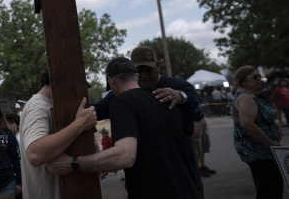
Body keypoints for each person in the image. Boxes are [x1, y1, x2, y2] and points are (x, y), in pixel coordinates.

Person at [47, 57, 197, 198]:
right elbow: (194, 131)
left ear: (111, 82)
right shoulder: (169, 98)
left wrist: (71, 164)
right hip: (189, 191)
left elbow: (125, 156)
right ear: (136, 77)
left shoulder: (121, 103)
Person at [93, 45, 206, 197]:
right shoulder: (123, 96)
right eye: (139, 70)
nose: (144, 75)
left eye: (149, 69)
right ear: (133, 72)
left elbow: (199, 113)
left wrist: (182, 97)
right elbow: (95, 111)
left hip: (184, 176)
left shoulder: (177, 86)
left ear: (158, 67)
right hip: (147, 184)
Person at [19, 69, 97, 199]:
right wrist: (80, 124)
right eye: (76, 87)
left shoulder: (51, 106)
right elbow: (35, 154)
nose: (77, 92)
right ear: (64, 82)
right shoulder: (38, 107)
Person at [232, 66, 283, 198]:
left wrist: (273, 126)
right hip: (258, 150)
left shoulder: (248, 95)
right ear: (243, 80)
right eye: (255, 77)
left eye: (259, 76)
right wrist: (270, 143)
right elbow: (247, 124)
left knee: (275, 186)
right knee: (267, 191)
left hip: (262, 150)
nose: (259, 79)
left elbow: (257, 120)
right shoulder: (245, 97)